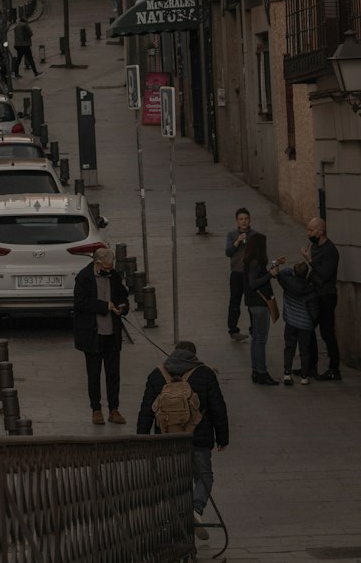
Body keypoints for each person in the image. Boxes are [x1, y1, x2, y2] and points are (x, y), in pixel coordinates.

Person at [136, 339, 229, 541]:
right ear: (194, 356)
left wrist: (142, 438)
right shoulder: (206, 374)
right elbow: (218, 408)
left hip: (167, 438)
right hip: (198, 437)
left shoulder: (156, 375)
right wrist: (223, 437)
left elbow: (146, 410)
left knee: (174, 478)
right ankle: (195, 509)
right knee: (204, 476)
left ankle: (175, 519)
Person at [72, 245, 130, 425]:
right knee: (94, 374)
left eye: (110, 266)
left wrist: (122, 307)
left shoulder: (114, 276)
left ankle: (114, 409)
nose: (109, 270)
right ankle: (96, 409)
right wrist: (105, 306)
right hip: (92, 335)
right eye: (106, 267)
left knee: (113, 374)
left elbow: (123, 295)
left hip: (112, 334)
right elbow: (81, 303)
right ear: (97, 264)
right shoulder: (84, 277)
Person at [303, 216, 340, 381]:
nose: (308, 233)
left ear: (320, 232)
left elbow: (324, 275)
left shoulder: (330, 250)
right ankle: (311, 366)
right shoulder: (315, 245)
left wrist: (310, 261)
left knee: (327, 333)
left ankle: (334, 369)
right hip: (315, 295)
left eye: (311, 230)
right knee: (308, 328)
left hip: (326, 296)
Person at [244, 232, 280, 384]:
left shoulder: (249, 260)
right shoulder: (255, 262)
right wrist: (270, 275)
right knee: (260, 340)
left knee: (256, 340)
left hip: (253, 304)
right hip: (259, 304)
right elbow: (253, 283)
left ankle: (256, 370)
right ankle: (261, 372)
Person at [277, 261, 318, 384]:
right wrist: (312, 323)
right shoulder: (310, 289)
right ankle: (304, 377)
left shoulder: (287, 284)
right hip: (305, 325)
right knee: (304, 351)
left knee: (289, 348)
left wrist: (291, 270)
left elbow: (280, 273)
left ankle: (287, 374)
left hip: (290, 322)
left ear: (294, 273)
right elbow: (314, 312)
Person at [224, 207, 253, 341]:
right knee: (235, 301)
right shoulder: (232, 234)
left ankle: (254, 329)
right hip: (236, 273)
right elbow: (228, 252)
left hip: (251, 273)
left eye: (246, 219)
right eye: (241, 219)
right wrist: (237, 242)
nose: (244, 221)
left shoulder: (255, 235)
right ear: (237, 221)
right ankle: (233, 330)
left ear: (249, 220)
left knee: (252, 302)